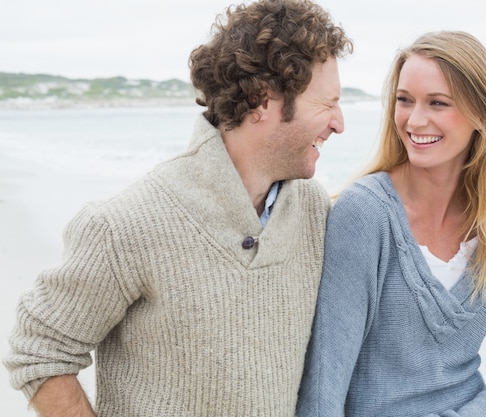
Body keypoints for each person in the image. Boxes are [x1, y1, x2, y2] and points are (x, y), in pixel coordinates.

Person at [3, 1, 352, 416]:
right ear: (262, 100)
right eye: (327, 103)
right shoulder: (124, 225)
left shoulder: (312, 208)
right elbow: (39, 349)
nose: (340, 122)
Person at [297, 31, 486, 417]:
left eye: (437, 103)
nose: (414, 120)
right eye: (404, 100)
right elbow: (325, 382)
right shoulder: (365, 213)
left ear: (483, 114)